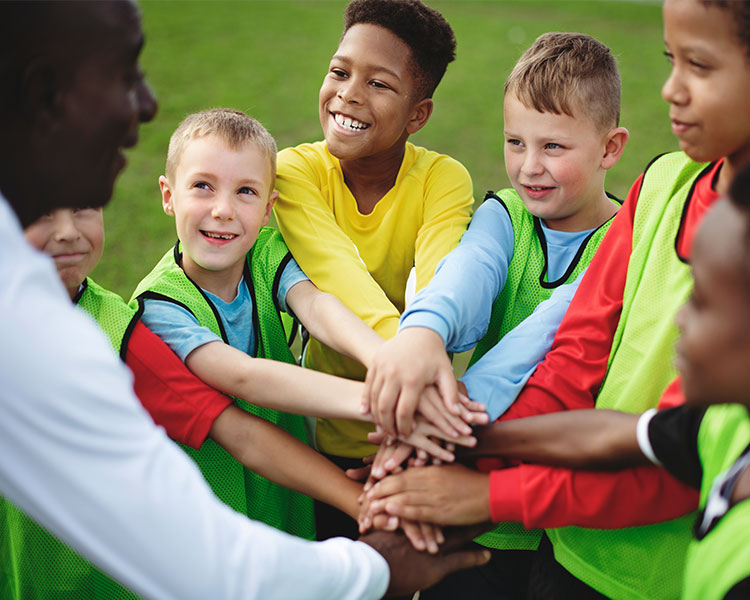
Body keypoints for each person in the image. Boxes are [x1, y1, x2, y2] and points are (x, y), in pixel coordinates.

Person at [0, 1, 490, 598]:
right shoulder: (153, 311)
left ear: (264, 210)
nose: (149, 101)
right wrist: (396, 396)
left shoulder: (258, 254)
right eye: (124, 73)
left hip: (291, 502)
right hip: (170, 542)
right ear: (168, 196)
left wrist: (403, 368)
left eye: (245, 193)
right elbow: (248, 396)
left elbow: (322, 304)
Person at [359, 0, 750, 598]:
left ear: (608, 147)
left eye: (699, 64)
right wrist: (450, 433)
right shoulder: (665, 182)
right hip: (564, 543)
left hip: (655, 573)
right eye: (673, 59)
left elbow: (674, 457)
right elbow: (571, 353)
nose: (671, 89)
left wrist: (480, 479)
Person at [362, 31, 629, 598]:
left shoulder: (626, 240)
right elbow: (468, 275)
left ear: (610, 148)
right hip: (461, 501)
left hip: (548, 508)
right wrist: (423, 332)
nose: (528, 166)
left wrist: (444, 425)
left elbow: (544, 334)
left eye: (553, 147)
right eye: (515, 142)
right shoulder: (504, 214)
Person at [443, 166, 750, 599]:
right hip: (563, 547)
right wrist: (463, 446)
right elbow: (622, 432)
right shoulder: (664, 179)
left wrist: (489, 493)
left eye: (699, 299)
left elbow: (663, 475)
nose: (678, 317)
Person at [272, 0, 476, 537]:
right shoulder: (295, 170)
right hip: (328, 438)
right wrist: (412, 375)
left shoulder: (443, 179)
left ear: (418, 114)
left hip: (417, 433)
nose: (349, 94)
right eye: (339, 71)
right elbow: (337, 276)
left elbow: (442, 292)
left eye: (379, 84)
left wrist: (412, 398)